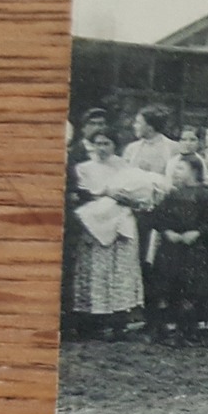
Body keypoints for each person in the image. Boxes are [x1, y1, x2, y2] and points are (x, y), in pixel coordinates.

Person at [70, 127, 154, 338]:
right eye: (98, 143)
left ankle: (119, 319)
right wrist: (105, 193)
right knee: (96, 271)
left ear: (115, 145)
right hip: (95, 224)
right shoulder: (84, 168)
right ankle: (92, 320)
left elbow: (139, 193)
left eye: (106, 143)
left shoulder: (125, 167)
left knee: (120, 270)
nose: (102, 148)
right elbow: (82, 195)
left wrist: (129, 199)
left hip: (121, 224)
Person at [147, 153, 208, 344]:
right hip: (171, 249)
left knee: (192, 289)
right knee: (169, 286)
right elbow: (157, 217)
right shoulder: (172, 194)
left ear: (194, 171)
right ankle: (168, 330)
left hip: (194, 249)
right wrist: (167, 231)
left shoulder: (204, 195)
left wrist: (197, 233)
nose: (176, 172)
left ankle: (189, 330)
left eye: (181, 168)